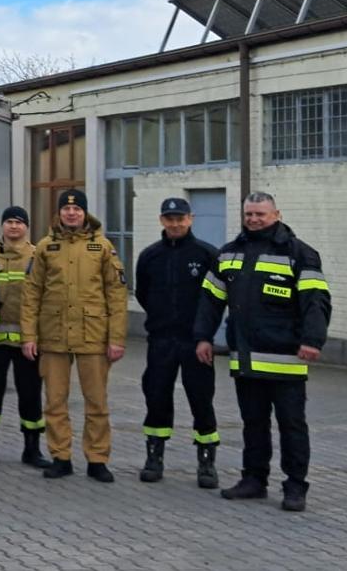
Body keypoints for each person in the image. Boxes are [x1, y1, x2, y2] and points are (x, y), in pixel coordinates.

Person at [196, 192, 330, 512]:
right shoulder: (229, 253)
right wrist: (202, 337)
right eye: (249, 214)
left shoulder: (300, 254)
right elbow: (210, 299)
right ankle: (254, 480)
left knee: (291, 425)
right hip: (246, 357)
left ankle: (295, 486)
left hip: (286, 360)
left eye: (260, 214)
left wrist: (313, 340)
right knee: (253, 423)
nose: (254, 219)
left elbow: (316, 302)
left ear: (277, 214)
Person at [22, 189, 128, 482]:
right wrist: (28, 336)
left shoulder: (102, 247)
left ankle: (97, 459)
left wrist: (116, 339)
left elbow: (116, 296)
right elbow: (31, 293)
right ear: (59, 214)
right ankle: (61, 456)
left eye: (77, 210)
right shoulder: (45, 247)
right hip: (53, 336)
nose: (71, 214)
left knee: (96, 403)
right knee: (55, 402)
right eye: (66, 210)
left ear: (85, 213)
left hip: (92, 336)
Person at [135, 197, 222, 487]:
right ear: (161, 220)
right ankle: (154, 457)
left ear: (191, 219)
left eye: (180, 218)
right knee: (156, 397)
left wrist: (203, 335)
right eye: (169, 218)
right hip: (161, 340)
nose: (175, 223)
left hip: (196, 343)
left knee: (201, 399)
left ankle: (207, 463)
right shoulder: (150, 256)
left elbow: (214, 301)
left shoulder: (208, 254)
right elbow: (144, 295)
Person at [0, 206, 49, 467]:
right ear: (2, 226)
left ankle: (32, 449)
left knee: (30, 395)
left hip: (27, 342)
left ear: (27, 227)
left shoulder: (38, 256)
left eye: (19, 222)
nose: (14, 226)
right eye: (9, 221)